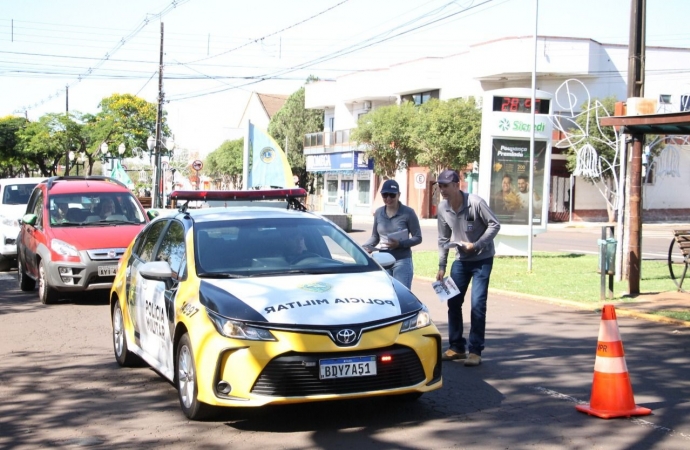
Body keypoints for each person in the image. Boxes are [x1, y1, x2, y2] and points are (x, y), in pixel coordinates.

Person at [435, 169, 500, 367]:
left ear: (457, 185)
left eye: (446, 185)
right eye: (440, 186)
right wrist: (441, 265)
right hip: (460, 260)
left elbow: (495, 225)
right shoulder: (442, 208)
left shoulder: (476, 202)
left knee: (478, 304)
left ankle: (475, 350)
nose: (443, 190)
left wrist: (478, 244)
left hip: (482, 259)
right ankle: (456, 347)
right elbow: (443, 238)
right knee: (452, 301)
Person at [362, 179, 422, 289]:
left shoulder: (408, 213)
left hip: (402, 261)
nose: (388, 198)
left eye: (392, 195)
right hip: (383, 259)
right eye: (385, 195)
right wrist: (365, 247)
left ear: (398, 195)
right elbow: (375, 237)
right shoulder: (379, 212)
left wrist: (400, 244)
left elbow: (418, 237)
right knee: (386, 294)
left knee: (401, 295)